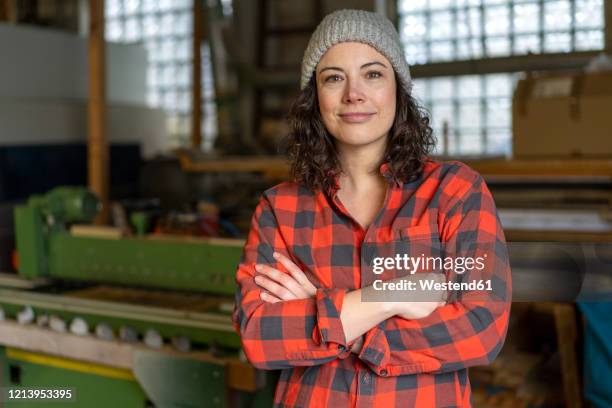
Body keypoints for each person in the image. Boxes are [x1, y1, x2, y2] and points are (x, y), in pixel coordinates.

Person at [232, 9, 512, 407]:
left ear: (398, 87)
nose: (354, 94)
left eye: (373, 73)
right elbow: (259, 338)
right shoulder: (280, 209)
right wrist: (387, 296)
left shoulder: (455, 192)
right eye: (333, 78)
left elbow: (479, 329)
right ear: (315, 97)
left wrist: (330, 312)